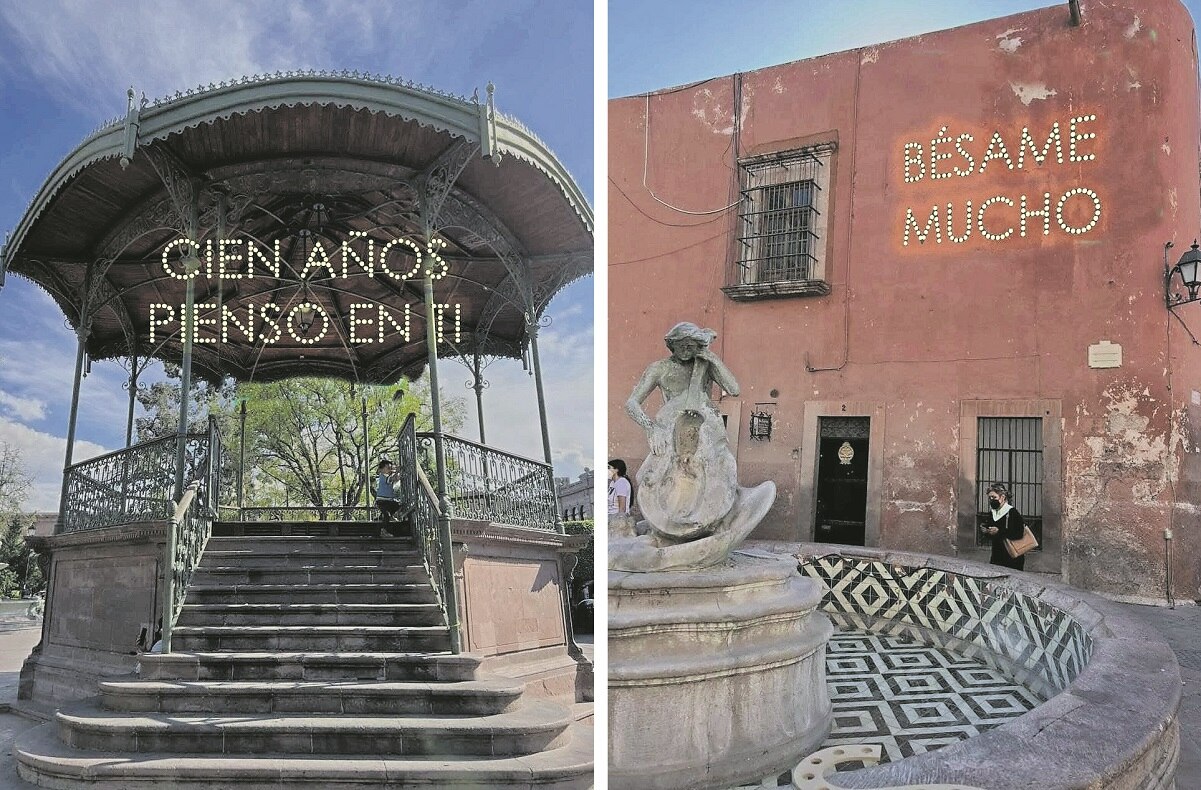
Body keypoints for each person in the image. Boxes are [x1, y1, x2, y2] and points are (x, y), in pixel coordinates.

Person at [982, 482, 1026, 571]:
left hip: (1012, 557)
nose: (991, 500)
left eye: (994, 497)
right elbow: (991, 534)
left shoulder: (1012, 513)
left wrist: (999, 531)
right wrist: (986, 531)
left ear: (1002, 497)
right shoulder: (992, 513)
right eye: (990, 498)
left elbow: (1019, 534)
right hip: (997, 556)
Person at [608, 459, 634, 537]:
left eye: (609, 468)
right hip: (610, 517)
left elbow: (622, 507)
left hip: (616, 520)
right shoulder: (612, 483)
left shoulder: (621, 482)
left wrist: (619, 523)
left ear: (616, 470)